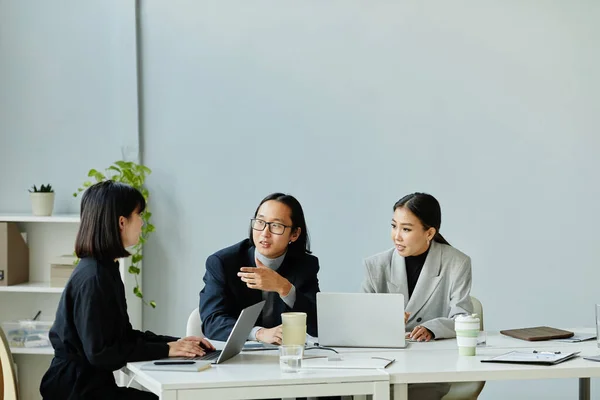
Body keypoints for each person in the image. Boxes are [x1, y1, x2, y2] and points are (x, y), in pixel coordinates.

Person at [40, 181, 214, 400]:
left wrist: (175, 343)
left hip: (87, 384)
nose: (142, 223)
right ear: (122, 222)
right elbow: (101, 354)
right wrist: (166, 350)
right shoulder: (94, 277)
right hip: (75, 390)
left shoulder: (104, 269)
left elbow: (121, 337)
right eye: (139, 215)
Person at [361, 192, 473, 400]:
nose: (397, 236)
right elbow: (362, 321)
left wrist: (432, 328)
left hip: (431, 367)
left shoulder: (456, 262)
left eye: (406, 229)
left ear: (429, 233)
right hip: (382, 364)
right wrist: (386, 322)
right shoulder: (376, 266)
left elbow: (463, 317)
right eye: (394, 226)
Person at [200, 193, 320, 344]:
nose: (265, 233)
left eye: (276, 225)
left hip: (285, 355)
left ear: (294, 234)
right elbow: (212, 321)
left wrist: (284, 288)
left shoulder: (305, 265)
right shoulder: (223, 263)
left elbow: (317, 323)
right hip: (239, 357)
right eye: (260, 222)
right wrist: (259, 333)